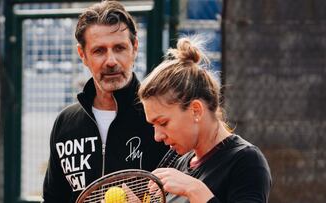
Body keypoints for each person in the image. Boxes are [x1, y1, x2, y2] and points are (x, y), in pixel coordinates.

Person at [42, 1, 168, 202]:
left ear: (134, 48)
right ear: (82, 55)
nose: (111, 61)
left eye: (119, 48)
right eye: (99, 51)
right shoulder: (66, 123)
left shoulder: (162, 119)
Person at [138, 35, 272, 203]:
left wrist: (195, 190)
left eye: (163, 123)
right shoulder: (180, 163)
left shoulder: (246, 161)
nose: (157, 136)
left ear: (196, 110)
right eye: (153, 125)